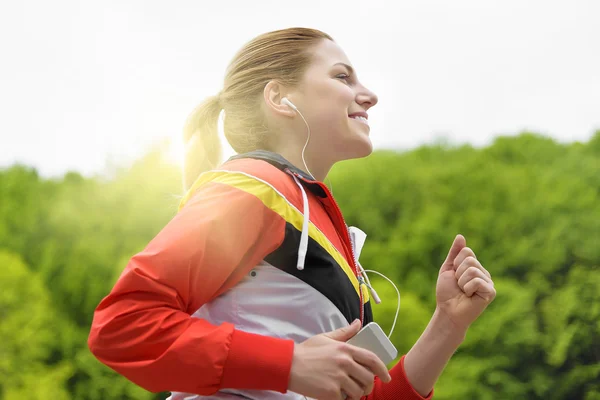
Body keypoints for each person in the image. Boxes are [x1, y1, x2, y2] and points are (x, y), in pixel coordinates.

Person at [88, 27, 497, 400]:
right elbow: (123, 326)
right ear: (280, 99)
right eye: (342, 77)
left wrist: (448, 325)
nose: (369, 94)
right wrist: (290, 364)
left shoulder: (314, 219)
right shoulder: (253, 188)